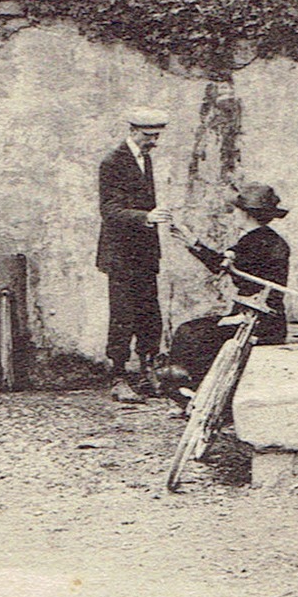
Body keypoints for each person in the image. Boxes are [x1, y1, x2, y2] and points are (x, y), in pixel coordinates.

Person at [162, 183, 291, 399]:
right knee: (198, 331)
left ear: (247, 214)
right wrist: (195, 244)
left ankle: (193, 392)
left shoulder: (256, 242)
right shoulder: (265, 239)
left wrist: (194, 244)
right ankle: (194, 391)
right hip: (266, 319)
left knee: (190, 333)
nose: (234, 215)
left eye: (236, 211)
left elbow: (223, 266)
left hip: (257, 321)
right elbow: (226, 263)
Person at [96, 107, 173, 403]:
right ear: (133, 132)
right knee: (123, 315)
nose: (153, 141)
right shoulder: (112, 162)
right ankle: (118, 376)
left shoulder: (146, 159)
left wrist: (151, 220)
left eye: (156, 136)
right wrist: (147, 217)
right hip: (120, 253)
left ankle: (147, 370)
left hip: (144, 252)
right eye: (148, 136)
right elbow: (110, 211)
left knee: (149, 313)